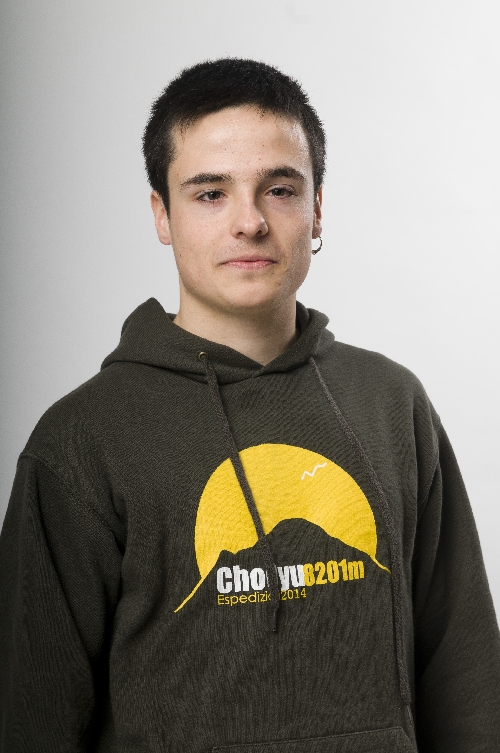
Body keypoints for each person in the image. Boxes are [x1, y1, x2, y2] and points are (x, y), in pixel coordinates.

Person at [0, 58, 499, 753]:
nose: (250, 222)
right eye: (210, 193)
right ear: (161, 214)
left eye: (280, 189)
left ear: (317, 207)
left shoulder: (391, 402)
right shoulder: (82, 439)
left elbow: (466, 676)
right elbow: (31, 716)